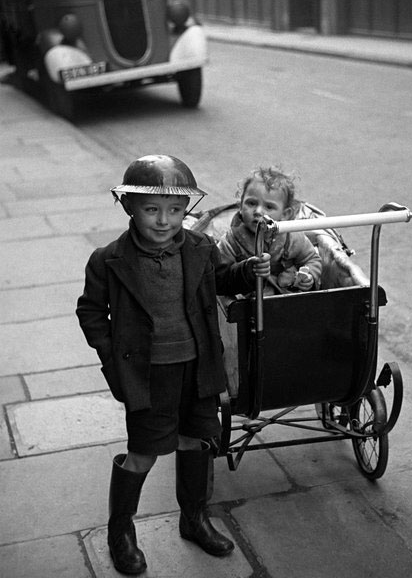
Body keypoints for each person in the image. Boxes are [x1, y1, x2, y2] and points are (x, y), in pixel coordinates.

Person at [76, 154, 270, 575]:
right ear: (128, 206)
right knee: (143, 453)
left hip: (198, 368)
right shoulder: (108, 259)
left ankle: (194, 518)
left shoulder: (200, 248)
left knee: (196, 441)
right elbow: (90, 311)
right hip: (148, 375)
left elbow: (224, 279)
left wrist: (248, 270)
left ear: (187, 210)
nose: (164, 220)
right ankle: (121, 531)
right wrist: (112, 357)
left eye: (176, 210)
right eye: (151, 209)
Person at [217, 166, 322, 295]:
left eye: (269, 207)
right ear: (240, 206)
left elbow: (312, 259)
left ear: (285, 214)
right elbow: (220, 275)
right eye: (251, 203)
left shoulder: (291, 236)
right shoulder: (231, 241)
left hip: (286, 297)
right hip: (247, 301)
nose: (258, 211)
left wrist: (309, 276)